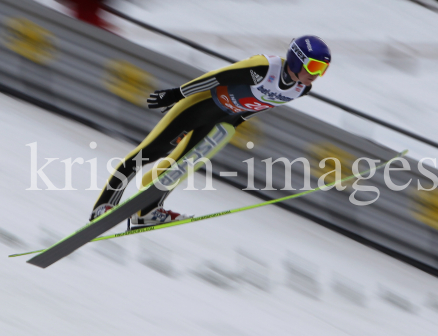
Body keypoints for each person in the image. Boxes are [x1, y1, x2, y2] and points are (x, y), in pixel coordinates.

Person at [90, 35, 332, 229]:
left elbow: (263, 104)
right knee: (151, 152)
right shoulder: (264, 68)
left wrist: (238, 121)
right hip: (197, 107)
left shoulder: (300, 89)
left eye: (322, 70)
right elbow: (217, 78)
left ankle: (149, 211)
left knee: (183, 164)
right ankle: (105, 205)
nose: (316, 75)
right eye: (314, 67)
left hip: (219, 117)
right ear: (297, 60)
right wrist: (178, 93)